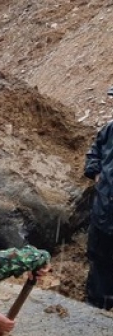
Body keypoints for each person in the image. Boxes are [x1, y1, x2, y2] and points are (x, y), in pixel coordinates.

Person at [84, 88, 113, 310]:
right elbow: (94, 152)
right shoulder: (109, 130)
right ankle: (95, 306)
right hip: (104, 207)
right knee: (98, 256)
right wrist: (95, 173)